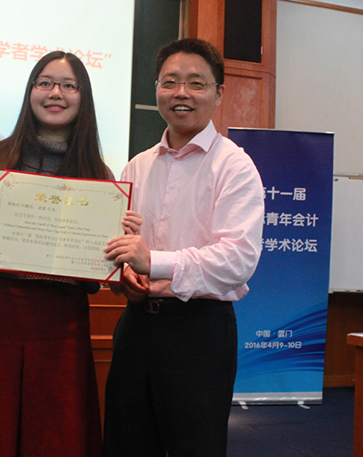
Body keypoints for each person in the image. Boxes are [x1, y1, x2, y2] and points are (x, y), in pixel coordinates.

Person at [0, 51, 141, 457]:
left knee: (55, 439)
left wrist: (115, 249)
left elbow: (95, 275)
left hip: (61, 328)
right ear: (30, 92)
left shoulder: (98, 177)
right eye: (45, 83)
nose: (55, 93)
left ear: (83, 97)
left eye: (68, 85)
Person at [102, 38, 265, 457]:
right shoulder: (137, 166)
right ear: (156, 88)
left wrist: (153, 262)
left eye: (196, 83)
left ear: (218, 93)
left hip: (199, 332)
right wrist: (126, 277)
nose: (181, 93)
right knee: (126, 444)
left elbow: (238, 260)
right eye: (170, 82)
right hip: (136, 327)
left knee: (195, 447)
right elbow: (121, 246)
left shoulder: (235, 166)